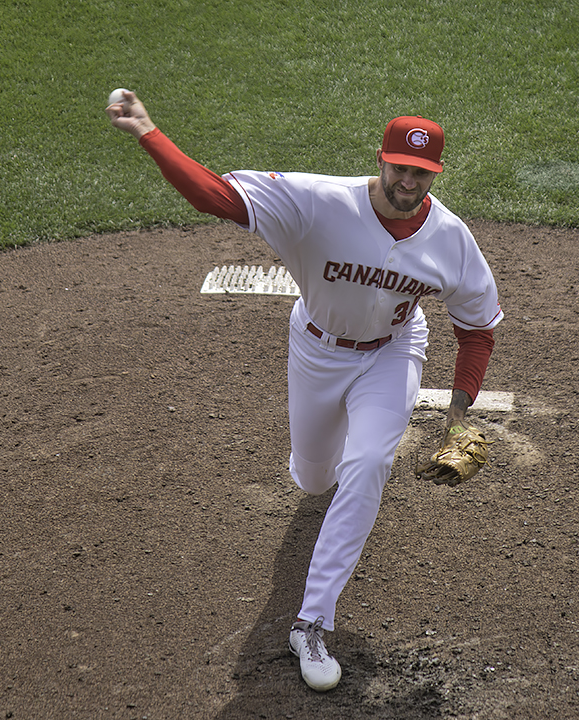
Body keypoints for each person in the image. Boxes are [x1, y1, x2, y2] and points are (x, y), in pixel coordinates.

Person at [106, 93, 503, 692]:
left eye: (421, 172)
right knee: (315, 479)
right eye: (400, 167)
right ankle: (325, 480)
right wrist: (148, 132)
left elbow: (477, 330)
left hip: (394, 351)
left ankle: (311, 622)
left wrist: (457, 410)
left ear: (436, 173)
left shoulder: (450, 237)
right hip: (317, 350)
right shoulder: (319, 202)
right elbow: (217, 197)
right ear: (380, 159)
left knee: (368, 463)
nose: (408, 180)